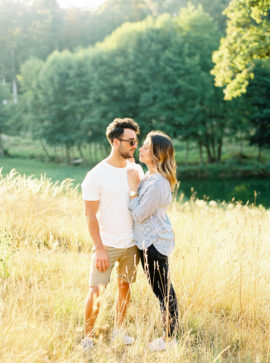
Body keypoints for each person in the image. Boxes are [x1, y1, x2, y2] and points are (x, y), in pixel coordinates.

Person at [80, 118, 144, 352]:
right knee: (96, 290)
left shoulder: (135, 169)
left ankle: (119, 329)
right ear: (116, 142)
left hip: (131, 244)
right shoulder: (96, 175)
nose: (135, 145)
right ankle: (87, 336)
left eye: (136, 141)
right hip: (106, 245)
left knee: (125, 287)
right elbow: (90, 215)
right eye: (131, 141)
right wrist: (98, 248)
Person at [127, 130, 179, 352]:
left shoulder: (157, 183)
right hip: (147, 243)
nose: (141, 148)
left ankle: (169, 339)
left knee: (163, 292)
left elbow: (139, 214)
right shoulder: (149, 177)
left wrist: (132, 189)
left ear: (157, 154)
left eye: (146, 147)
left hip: (155, 244)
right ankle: (169, 337)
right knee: (160, 290)